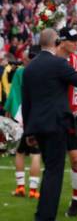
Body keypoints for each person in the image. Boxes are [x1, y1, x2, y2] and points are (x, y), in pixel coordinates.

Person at [22, 28, 77, 221]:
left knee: (50, 172)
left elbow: (26, 102)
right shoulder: (58, 64)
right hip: (56, 125)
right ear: (56, 42)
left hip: (37, 126)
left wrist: (28, 132)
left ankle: (41, 218)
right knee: (54, 174)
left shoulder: (30, 68)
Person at [56, 27, 77, 217]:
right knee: (55, 162)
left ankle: (76, 200)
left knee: (76, 159)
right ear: (62, 41)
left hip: (74, 117)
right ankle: (49, 199)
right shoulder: (54, 61)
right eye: (73, 40)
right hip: (56, 116)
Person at [6, 48, 41, 199]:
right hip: (38, 115)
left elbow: (14, 93)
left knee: (20, 152)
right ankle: (33, 190)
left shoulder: (21, 72)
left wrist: (10, 110)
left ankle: (21, 187)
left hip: (22, 115)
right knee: (35, 153)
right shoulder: (43, 71)